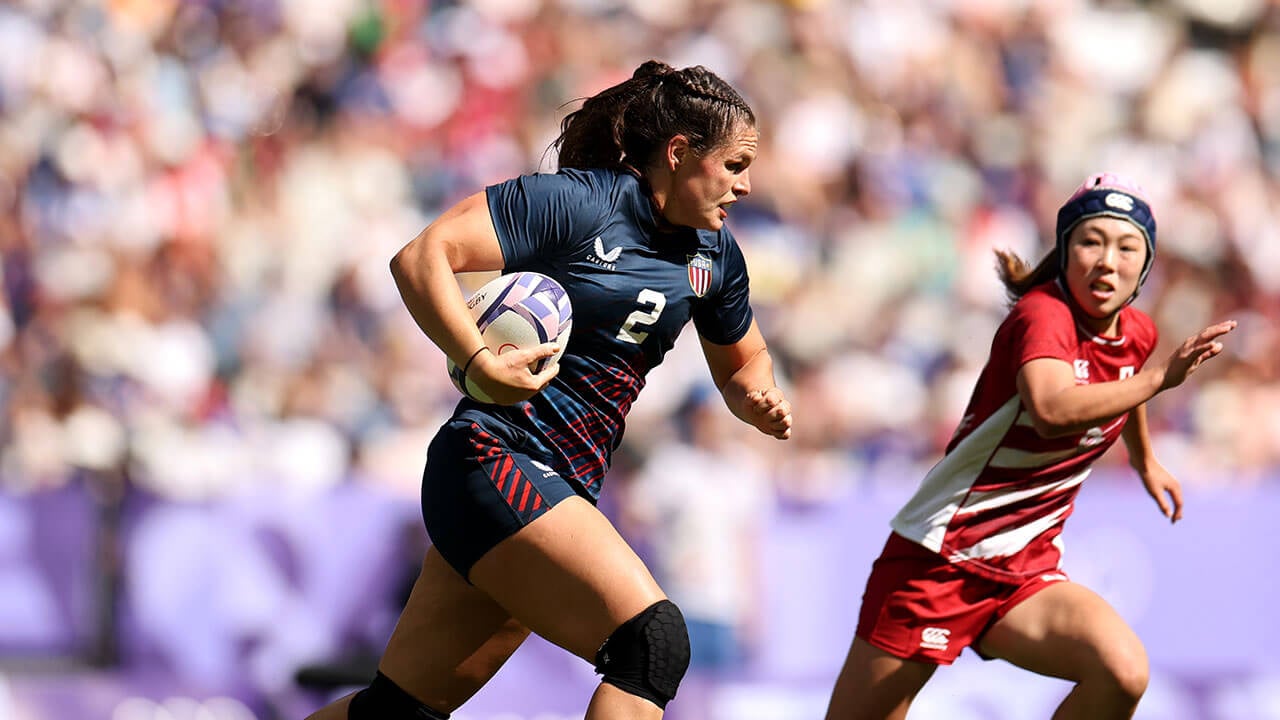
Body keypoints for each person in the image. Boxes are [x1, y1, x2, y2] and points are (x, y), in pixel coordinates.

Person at [304, 59, 793, 720]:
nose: (746, 184)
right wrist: (476, 358)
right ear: (680, 154)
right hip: (493, 458)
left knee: (394, 716)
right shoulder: (580, 202)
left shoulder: (714, 255)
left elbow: (743, 359)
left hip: (557, 485)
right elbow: (423, 255)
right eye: (735, 165)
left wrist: (755, 395)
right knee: (652, 644)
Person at [823, 172, 1236, 720]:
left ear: (1146, 264)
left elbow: (1124, 380)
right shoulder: (1042, 315)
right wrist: (1160, 380)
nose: (1107, 260)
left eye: (1126, 246)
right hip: (939, 560)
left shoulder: (1136, 331)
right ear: (1065, 251)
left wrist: (1144, 458)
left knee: (1122, 671)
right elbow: (1050, 410)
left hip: (1024, 568)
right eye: (1091, 241)